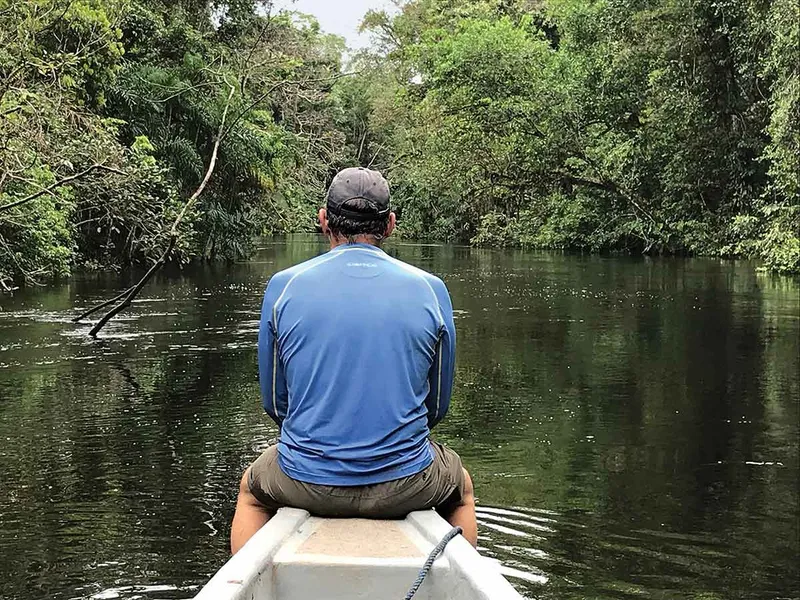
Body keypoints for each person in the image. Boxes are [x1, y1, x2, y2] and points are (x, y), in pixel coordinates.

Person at [230, 167, 477, 554]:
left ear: (323, 219)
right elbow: (436, 407)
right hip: (407, 483)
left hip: (304, 480)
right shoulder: (432, 290)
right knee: (460, 488)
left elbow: (275, 404)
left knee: (251, 490)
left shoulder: (283, 286)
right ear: (390, 225)